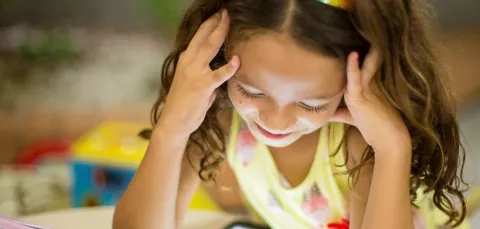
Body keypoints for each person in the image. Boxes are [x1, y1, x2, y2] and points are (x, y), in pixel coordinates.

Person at [113, 0, 471, 228]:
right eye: (251, 91)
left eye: (312, 103)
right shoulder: (221, 123)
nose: (275, 121)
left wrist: (394, 148)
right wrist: (171, 128)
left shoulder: (359, 145)